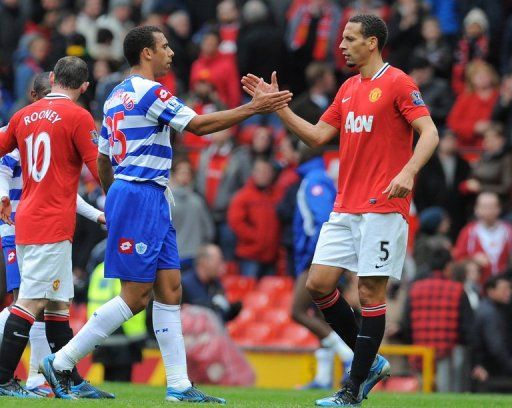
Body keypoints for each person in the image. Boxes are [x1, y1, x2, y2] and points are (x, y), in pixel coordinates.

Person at [40, 25, 291, 402]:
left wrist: (115, 196)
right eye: (164, 46)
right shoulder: (150, 91)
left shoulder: (114, 96)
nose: (171, 52)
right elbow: (199, 126)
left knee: (170, 290)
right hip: (141, 194)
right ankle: (61, 362)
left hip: (146, 195)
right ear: (145, 53)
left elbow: (105, 159)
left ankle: (178, 385)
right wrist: (254, 109)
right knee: (136, 296)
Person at [242, 13, 438, 406]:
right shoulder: (348, 88)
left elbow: (430, 132)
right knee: (317, 285)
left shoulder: (398, 82)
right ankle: (372, 361)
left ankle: (353, 386)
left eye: (350, 39)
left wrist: (408, 172)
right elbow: (315, 136)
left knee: (369, 291)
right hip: (345, 204)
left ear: (372, 42)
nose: (342, 45)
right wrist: (278, 106)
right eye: (342, 39)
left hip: (384, 204)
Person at [0, 56, 107, 399]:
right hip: (52, 221)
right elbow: (98, 166)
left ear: (52, 77)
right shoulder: (78, 116)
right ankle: (3, 379)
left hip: (29, 217)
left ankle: (70, 379)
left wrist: (3, 194)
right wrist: (118, 201)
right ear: (85, 87)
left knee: (58, 304)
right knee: (31, 302)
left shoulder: (22, 115)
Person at [291, 147, 353, 390]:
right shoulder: (316, 177)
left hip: (316, 256)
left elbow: (322, 220)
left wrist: (317, 256)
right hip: (319, 255)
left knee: (296, 311)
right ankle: (323, 377)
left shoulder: (314, 180)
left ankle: (348, 356)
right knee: (320, 316)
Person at [401, 246, 473, 392]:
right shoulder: (458, 290)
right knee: (446, 397)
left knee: (422, 396)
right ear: (448, 266)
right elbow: (467, 327)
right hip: (447, 353)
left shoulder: (414, 289)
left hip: (420, 353)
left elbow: (406, 324)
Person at [453, 192, 512, 285]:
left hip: (504, 287)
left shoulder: (508, 231)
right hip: (478, 285)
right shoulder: (468, 232)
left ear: (499, 208)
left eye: (492, 206)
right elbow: (457, 259)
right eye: (484, 207)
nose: (488, 211)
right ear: (476, 209)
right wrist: (473, 259)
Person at [471, 276, 512, 392]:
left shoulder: (492, 309)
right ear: (491, 291)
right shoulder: (490, 314)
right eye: (504, 289)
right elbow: (496, 348)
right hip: (492, 374)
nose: (509, 292)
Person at [182, 244, 241, 323]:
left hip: (214, 333)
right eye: (218, 261)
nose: (222, 266)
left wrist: (232, 311)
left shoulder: (217, 285)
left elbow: (221, 316)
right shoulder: (184, 284)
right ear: (205, 262)